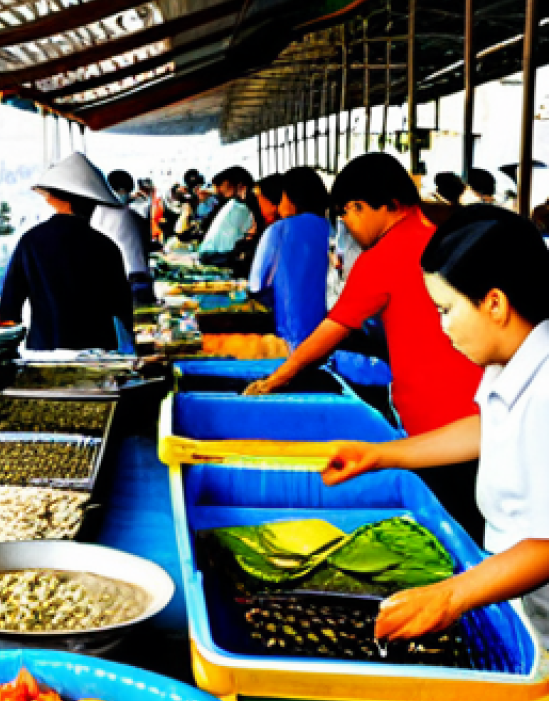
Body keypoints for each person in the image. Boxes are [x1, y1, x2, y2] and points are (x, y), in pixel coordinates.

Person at [321, 208, 549, 644]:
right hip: (517, 593)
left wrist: (448, 597)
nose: (442, 328)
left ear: (495, 304)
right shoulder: (512, 359)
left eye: (446, 309)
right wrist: (382, 455)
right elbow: (489, 430)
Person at [245, 153, 484, 538]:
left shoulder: (385, 256)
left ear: (364, 205)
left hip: (436, 421)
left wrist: (277, 378)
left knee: (450, 527)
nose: (348, 226)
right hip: (480, 414)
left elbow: (332, 330)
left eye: (348, 214)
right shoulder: (443, 237)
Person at [0, 152, 132, 352]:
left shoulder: (31, 241)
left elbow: (9, 310)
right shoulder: (106, 247)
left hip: (45, 352)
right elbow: (122, 307)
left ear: (55, 200)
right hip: (97, 355)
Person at [247, 168, 331, 349]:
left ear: (292, 199)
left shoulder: (279, 230)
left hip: (291, 341)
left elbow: (256, 286)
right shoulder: (332, 229)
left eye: (282, 197)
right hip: (333, 339)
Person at [94, 169, 152, 305]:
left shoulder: (96, 214)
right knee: (143, 322)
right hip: (137, 277)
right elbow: (146, 244)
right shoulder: (134, 216)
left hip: (116, 279)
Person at [198, 167, 255, 265]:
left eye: (222, 185)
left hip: (222, 257)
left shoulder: (242, 207)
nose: (220, 190)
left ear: (240, 186)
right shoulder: (233, 203)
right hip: (216, 255)